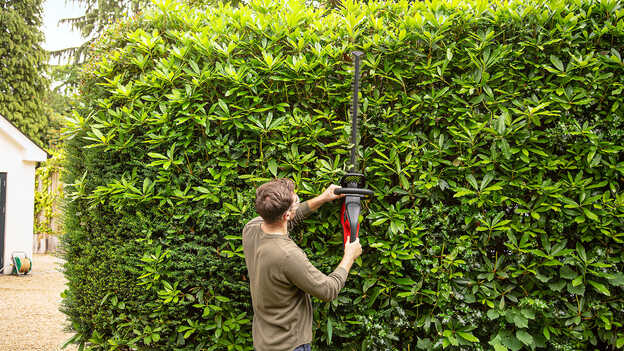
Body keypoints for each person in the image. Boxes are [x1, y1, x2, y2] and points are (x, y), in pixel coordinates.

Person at [242, 178, 363, 351]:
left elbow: (289, 218)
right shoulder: (288, 255)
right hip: (289, 345)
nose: (297, 200)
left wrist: (323, 198)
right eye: (295, 201)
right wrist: (349, 257)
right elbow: (327, 290)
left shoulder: (251, 228)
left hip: (263, 343)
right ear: (286, 214)